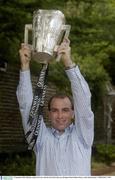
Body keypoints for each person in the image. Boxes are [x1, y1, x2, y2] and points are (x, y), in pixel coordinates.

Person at [16, 38, 94, 176]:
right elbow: (27, 107)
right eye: (55, 110)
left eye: (65, 110)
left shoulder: (83, 137)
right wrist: (25, 66)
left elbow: (83, 101)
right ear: (49, 114)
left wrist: (68, 63)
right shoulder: (40, 139)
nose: (60, 116)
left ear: (73, 113)